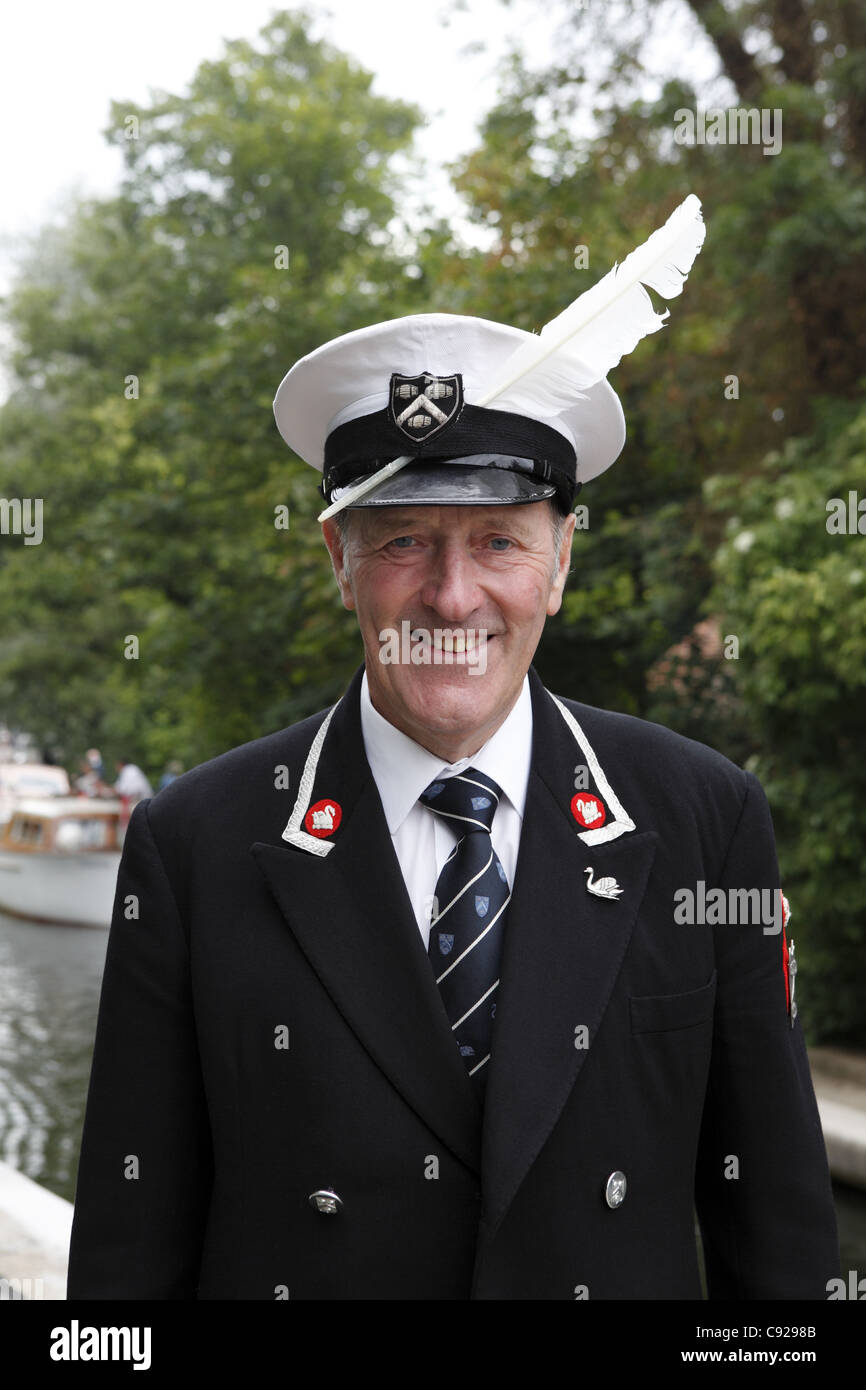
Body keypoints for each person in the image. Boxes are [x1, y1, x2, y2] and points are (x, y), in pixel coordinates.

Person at [67, 211, 839, 1300]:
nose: (450, 595)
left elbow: (780, 1237)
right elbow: (123, 1259)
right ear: (339, 557)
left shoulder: (703, 820)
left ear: (560, 559)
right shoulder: (193, 844)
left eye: (497, 541)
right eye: (402, 540)